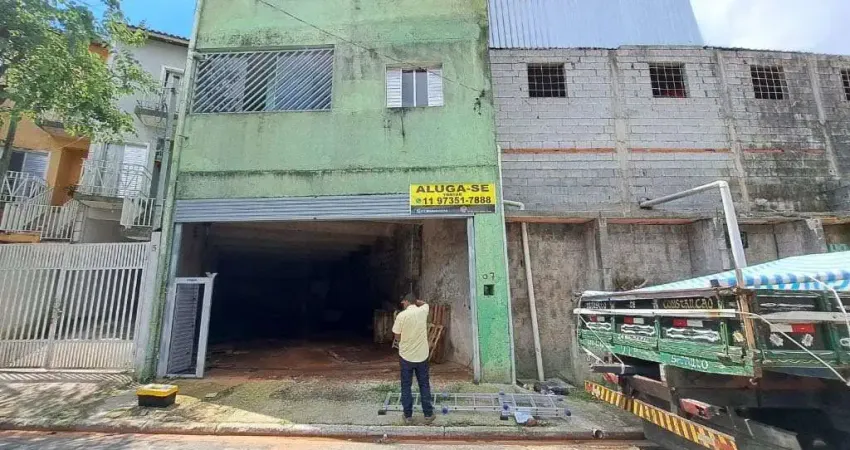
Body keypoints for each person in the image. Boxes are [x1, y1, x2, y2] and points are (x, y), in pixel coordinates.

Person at [391, 295, 434, 425]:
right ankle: (428, 415)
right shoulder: (423, 310)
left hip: (406, 357)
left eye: (403, 301)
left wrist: (402, 340)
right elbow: (425, 303)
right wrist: (419, 302)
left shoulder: (401, 316)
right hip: (422, 356)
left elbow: (397, 335)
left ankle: (408, 416)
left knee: (406, 386)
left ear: (406, 302)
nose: (402, 303)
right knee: (424, 385)